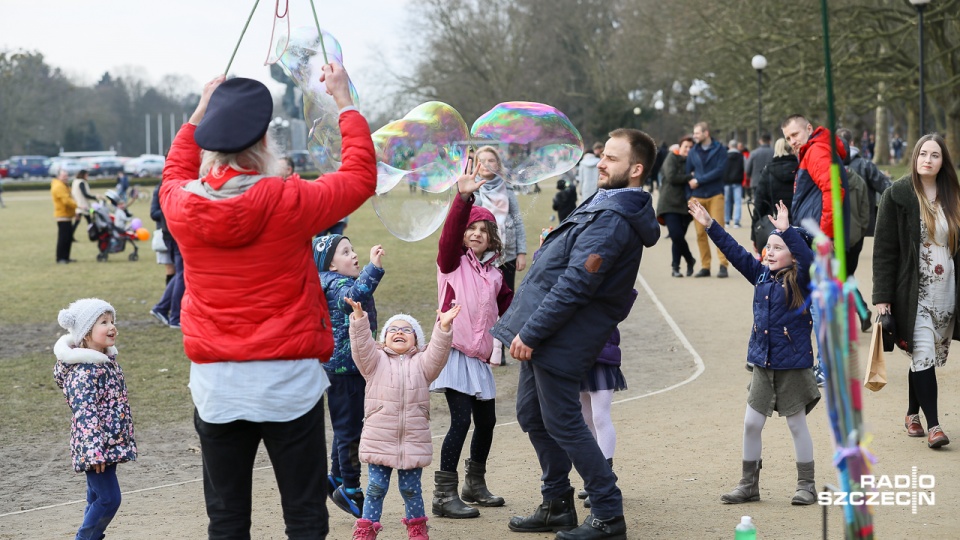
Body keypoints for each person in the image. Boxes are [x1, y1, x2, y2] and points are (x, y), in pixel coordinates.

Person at [159, 62, 377, 538]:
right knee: (304, 516)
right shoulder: (288, 200)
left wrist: (200, 110)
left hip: (217, 388)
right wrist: (344, 101)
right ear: (264, 145)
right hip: (287, 384)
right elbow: (360, 177)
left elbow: (173, 171)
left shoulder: (181, 203)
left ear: (211, 149)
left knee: (227, 519)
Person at [492, 128, 660, 539]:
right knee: (532, 415)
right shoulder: (605, 202)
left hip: (562, 334)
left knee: (564, 421)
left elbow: (576, 284)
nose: (601, 162)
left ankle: (608, 513)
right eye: (603, 155)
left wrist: (531, 333)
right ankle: (556, 503)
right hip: (550, 330)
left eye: (612, 159)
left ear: (635, 170)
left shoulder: (616, 218)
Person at [689, 199, 821, 506]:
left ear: (792, 253)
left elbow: (807, 258)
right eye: (768, 247)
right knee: (751, 423)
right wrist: (711, 225)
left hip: (793, 365)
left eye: (777, 248)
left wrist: (787, 231)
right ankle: (749, 485)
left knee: (796, 423)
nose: (769, 252)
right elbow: (735, 253)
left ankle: (807, 484)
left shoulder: (804, 280)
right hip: (763, 362)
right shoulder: (761, 275)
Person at [430, 161, 513, 519]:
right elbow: (448, 237)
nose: (476, 233)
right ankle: (443, 493)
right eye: (471, 228)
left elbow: (513, 307)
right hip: (453, 354)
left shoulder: (495, 275)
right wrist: (462, 199)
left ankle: (474, 483)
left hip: (478, 358)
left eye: (484, 229)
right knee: (460, 421)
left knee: (488, 422)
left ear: (493, 238)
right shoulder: (451, 263)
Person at [346, 298, 460, 540]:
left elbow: (438, 354)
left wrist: (444, 328)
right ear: (384, 338)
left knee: (411, 489)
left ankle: (417, 527)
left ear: (416, 340)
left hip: (413, 439)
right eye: (393, 330)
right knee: (376, 487)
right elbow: (361, 346)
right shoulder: (374, 362)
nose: (399, 332)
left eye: (407, 330)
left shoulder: (423, 364)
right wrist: (358, 320)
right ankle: (366, 528)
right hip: (379, 437)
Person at [873, 134, 960, 450]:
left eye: (935, 155)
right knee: (922, 352)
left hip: (945, 291)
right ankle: (935, 425)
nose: (928, 159)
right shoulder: (897, 194)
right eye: (923, 153)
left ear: (942, 162)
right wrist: (882, 297)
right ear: (915, 157)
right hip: (913, 290)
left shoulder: (953, 196)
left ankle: (912, 413)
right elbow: (884, 249)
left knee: (923, 356)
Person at [312, 234, 386, 518]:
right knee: (350, 431)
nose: (354, 254)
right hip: (346, 370)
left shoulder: (331, 280)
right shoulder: (337, 284)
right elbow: (354, 298)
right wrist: (374, 267)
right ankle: (352, 487)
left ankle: (337, 477)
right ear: (331, 265)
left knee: (347, 426)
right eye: (346, 252)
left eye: (352, 249)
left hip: (344, 368)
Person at [53, 298, 137, 540]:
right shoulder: (83, 371)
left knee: (96, 497)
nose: (112, 326)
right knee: (109, 499)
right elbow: (85, 414)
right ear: (86, 333)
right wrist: (93, 452)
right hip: (95, 448)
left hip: (107, 444)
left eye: (112, 321)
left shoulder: (106, 363)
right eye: (103, 322)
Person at [781, 114, 846, 387]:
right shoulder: (813, 150)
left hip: (818, 238)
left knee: (820, 305)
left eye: (795, 135)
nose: (792, 142)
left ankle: (828, 367)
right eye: (787, 138)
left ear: (809, 129)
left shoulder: (816, 150)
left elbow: (833, 190)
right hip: (812, 235)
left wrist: (824, 234)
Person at [576, 290, 637, 510]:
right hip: (577, 353)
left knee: (600, 416)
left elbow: (623, 303)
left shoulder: (615, 278)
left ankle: (605, 478)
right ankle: (594, 476)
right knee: (584, 418)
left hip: (603, 353)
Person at [473, 146, 527, 293]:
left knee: (506, 298)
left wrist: (521, 253)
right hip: (479, 254)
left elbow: (518, 221)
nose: (486, 164)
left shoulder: (507, 189)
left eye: (491, 160)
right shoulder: (471, 189)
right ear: (476, 164)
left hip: (507, 255)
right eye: (482, 161)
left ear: (498, 164)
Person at [686, 122, 729, 278]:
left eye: (697, 133)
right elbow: (687, 172)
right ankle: (705, 266)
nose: (694, 136)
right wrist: (688, 196)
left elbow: (720, 171)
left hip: (715, 194)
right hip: (697, 196)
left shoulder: (720, 150)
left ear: (706, 133)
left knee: (719, 230)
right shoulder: (692, 151)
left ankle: (723, 264)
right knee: (700, 233)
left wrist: (699, 180)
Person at [656, 136, 696, 277]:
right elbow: (671, 176)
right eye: (686, 146)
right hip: (669, 203)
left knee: (678, 238)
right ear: (680, 147)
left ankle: (675, 267)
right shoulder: (671, 157)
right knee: (676, 235)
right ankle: (690, 259)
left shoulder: (692, 161)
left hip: (685, 204)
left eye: (691, 147)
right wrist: (689, 177)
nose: (688, 149)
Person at [751, 139, 798, 253]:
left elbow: (759, 204)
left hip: (776, 225)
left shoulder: (768, 171)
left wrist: (754, 236)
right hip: (799, 223)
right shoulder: (801, 169)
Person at [149, 182, 184, 330]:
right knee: (180, 273)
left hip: (171, 232)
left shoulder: (168, 184)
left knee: (180, 273)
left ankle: (163, 308)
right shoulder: (169, 185)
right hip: (174, 233)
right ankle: (174, 316)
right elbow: (154, 213)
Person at [52, 168, 78, 264]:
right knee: (63, 238)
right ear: (58, 177)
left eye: (66, 176)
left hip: (67, 215)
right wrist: (77, 205)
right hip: (63, 215)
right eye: (63, 176)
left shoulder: (64, 185)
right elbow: (66, 200)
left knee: (67, 237)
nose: (66, 178)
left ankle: (66, 257)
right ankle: (60, 258)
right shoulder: (59, 186)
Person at [745, 133, 774, 203]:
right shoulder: (774, 152)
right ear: (770, 141)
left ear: (760, 141)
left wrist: (749, 176)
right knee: (769, 203)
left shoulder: (754, 153)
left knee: (758, 203)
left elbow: (747, 168)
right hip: (771, 180)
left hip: (756, 181)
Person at [723, 139, 745, 228]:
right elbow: (746, 168)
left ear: (729, 146)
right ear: (737, 146)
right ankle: (736, 221)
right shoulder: (741, 156)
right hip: (737, 181)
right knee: (737, 202)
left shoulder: (724, 156)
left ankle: (727, 221)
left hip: (726, 181)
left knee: (726, 202)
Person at [71, 169, 98, 236]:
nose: (87, 176)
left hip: (78, 205)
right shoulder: (81, 182)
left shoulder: (75, 181)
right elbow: (85, 194)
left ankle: (71, 235)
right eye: (87, 175)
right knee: (90, 219)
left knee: (78, 221)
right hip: (84, 206)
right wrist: (95, 197)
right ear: (83, 175)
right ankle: (92, 234)